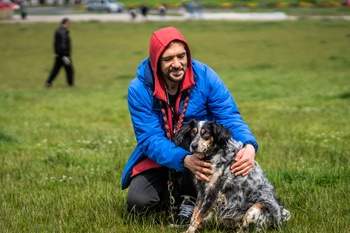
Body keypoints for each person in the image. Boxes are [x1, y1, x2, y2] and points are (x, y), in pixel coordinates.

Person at [122, 27, 258, 226]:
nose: (177, 64)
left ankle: (190, 200)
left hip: (201, 154)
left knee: (200, 150)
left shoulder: (205, 76)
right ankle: (173, 197)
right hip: (160, 155)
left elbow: (229, 117)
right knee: (139, 203)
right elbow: (150, 139)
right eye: (168, 59)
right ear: (156, 61)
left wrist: (248, 145)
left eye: (181, 56)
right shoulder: (139, 89)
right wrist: (183, 159)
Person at [45, 18, 74, 88]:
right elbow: (63, 44)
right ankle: (70, 85)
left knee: (56, 69)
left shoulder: (58, 30)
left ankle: (48, 83)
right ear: (65, 23)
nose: (69, 25)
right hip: (63, 55)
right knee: (70, 70)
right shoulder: (63, 32)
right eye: (69, 23)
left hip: (58, 54)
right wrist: (66, 54)